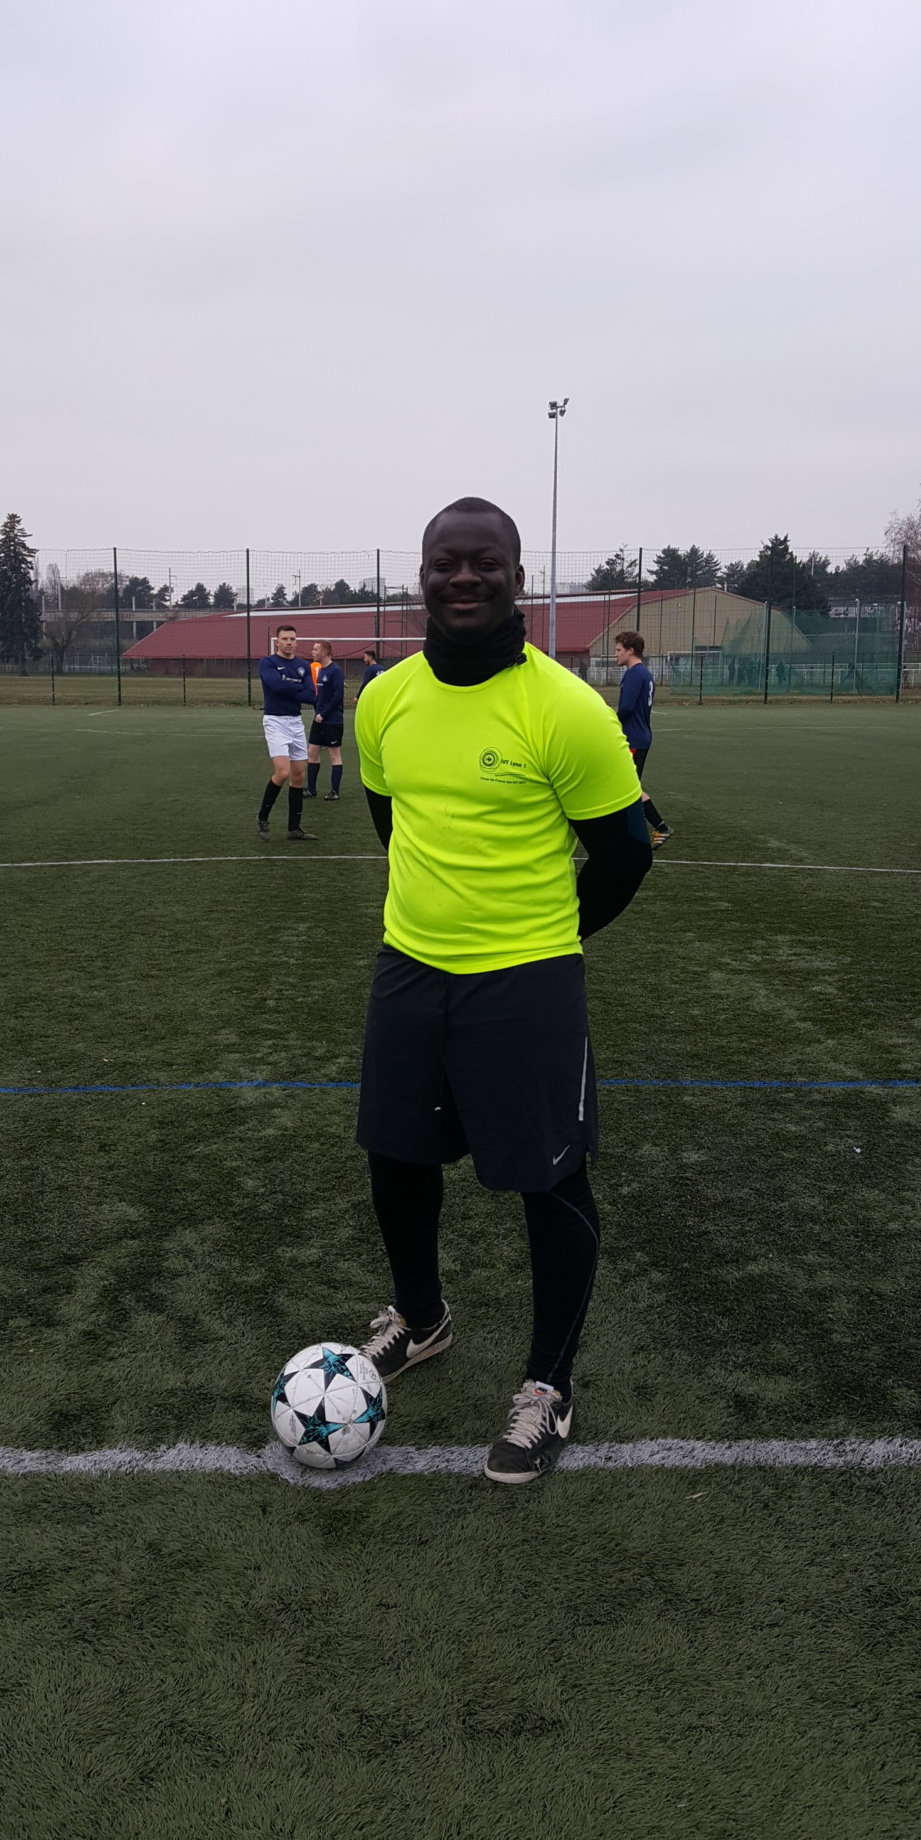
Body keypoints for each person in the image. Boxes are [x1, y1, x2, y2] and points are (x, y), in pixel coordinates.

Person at [353, 496, 654, 1484]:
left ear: (518, 579)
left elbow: (624, 854)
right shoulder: (383, 700)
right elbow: (392, 821)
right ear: (423, 576)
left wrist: (544, 938)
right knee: (396, 1154)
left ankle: (548, 1385)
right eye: (447, 562)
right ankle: (421, 1317)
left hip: (526, 981)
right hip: (409, 967)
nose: (464, 577)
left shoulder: (566, 709)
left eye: (485, 562)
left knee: (550, 1179)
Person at [256, 622, 317, 841]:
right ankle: (262, 818)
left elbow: (310, 695)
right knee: (282, 772)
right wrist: (298, 689)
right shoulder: (268, 662)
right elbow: (276, 686)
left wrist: (289, 688)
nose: (289, 642)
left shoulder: (303, 665)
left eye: (292, 639)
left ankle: (294, 828)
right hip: (275, 721)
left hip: (295, 722)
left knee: (299, 775)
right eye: (285, 639)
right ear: (277, 641)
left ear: (296, 641)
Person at [613, 630, 672, 845]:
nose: (616, 654)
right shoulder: (644, 674)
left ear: (630, 650)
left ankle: (658, 828)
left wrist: (611, 723)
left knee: (627, 787)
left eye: (619, 650)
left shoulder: (634, 674)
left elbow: (627, 708)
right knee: (628, 786)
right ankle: (648, 829)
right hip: (640, 736)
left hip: (633, 739)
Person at [306, 640, 345, 801]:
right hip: (319, 720)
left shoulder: (335, 671)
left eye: (315, 649)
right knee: (312, 752)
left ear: (324, 652)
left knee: (334, 755)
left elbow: (337, 696)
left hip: (332, 721)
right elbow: (320, 696)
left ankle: (334, 791)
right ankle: (311, 790)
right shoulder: (320, 670)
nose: (312, 652)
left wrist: (324, 713)